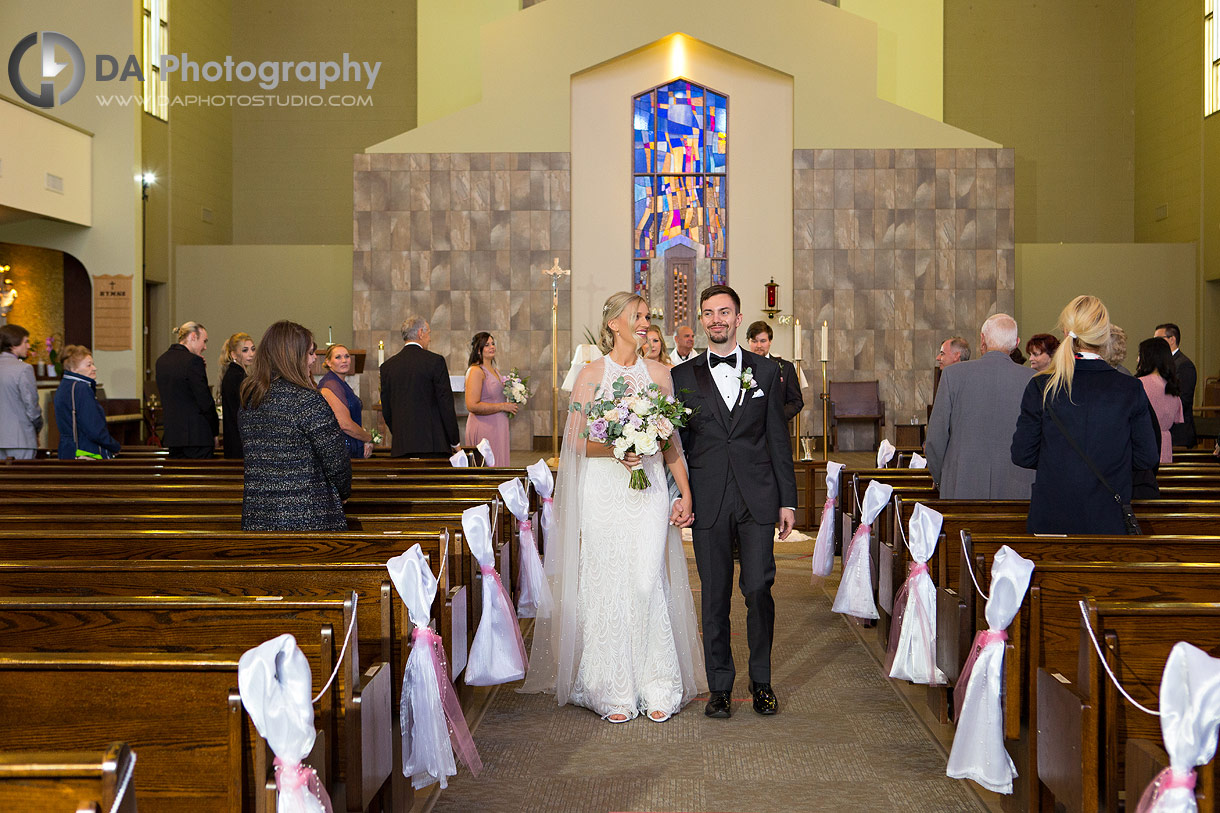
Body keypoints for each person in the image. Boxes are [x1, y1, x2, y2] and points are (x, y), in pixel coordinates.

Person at [522, 292, 704, 724]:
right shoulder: (590, 375)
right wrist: (618, 448)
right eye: (635, 316)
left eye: (645, 316)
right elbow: (576, 441)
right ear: (614, 325)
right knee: (607, 583)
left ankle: (656, 682)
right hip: (604, 491)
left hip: (648, 492)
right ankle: (610, 688)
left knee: (645, 581)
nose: (644, 322)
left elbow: (671, 440)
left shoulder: (661, 374)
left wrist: (686, 492)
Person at [671, 285, 797, 719]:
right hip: (708, 498)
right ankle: (720, 685)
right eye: (709, 314)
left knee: (759, 588)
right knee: (714, 597)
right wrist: (679, 495)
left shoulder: (766, 372)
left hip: (759, 496)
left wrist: (788, 500)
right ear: (702, 321)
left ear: (738, 318)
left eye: (724, 312)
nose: (717, 319)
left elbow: (778, 439)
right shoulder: (683, 376)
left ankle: (761, 681)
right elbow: (679, 446)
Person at [1011, 296, 1158, 534]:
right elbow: (1146, 458)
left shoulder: (1042, 386)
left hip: (1052, 516)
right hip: (1107, 516)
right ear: (1104, 335)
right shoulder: (1129, 388)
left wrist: (1060, 461)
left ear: (1066, 331)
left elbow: (1022, 454)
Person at [238, 321, 351, 531]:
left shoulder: (250, 400)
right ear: (292, 356)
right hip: (308, 519)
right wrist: (343, 492)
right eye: (309, 353)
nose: (314, 359)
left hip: (259, 518)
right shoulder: (307, 401)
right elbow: (337, 462)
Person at [924, 314, 1035, 499]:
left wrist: (942, 480)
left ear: (982, 339)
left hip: (961, 487)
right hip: (1019, 490)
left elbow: (935, 439)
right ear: (1016, 343)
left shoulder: (953, 375)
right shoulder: (1033, 380)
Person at [379, 316, 460, 457]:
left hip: (402, 447)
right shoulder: (435, 362)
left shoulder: (388, 367)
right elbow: (445, 404)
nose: (429, 339)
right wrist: (455, 442)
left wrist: (400, 435)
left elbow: (387, 410)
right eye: (429, 333)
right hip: (433, 446)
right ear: (420, 333)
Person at [155, 322, 219, 459]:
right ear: (194, 336)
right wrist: (215, 431)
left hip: (173, 437)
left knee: (176, 479)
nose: (205, 347)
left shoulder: (161, 361)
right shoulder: (193, 362)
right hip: (197, 438)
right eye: (204, 341)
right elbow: (204, 401)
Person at [53, 345, 120, 460]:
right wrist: (114, 446)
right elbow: (93, 428)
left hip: (68, 450)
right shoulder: (81, 388)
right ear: (74, 369)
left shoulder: (64, 385)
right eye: (89, 365)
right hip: (86, 452)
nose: (94, 368)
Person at [463, 332, 514, 465]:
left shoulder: (494, 370)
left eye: (492, 344)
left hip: (498, 426)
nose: (492, 347)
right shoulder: (475, 371)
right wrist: (503, 406)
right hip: (484, 426)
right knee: (487, 466)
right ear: (478, 350)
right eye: (487, 345)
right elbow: (472, 405)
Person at [319, 344, 374, 459]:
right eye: (338, 357)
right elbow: (344, 424)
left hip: (351, 447)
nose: (344, 360)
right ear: (328, 362)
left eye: (347, 356)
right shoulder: (331, 385)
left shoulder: (341, 383)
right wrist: (368, 438)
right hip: (342, 451)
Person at [1136, 336, 1184, 465]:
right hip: (1166, 444)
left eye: (1140, 355)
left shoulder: (1139, 384)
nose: (1137, 359)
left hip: (1145, 443)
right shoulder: (1172, 386)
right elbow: (1177, 419)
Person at [746, 320, 804, 421]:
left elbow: (796, 402)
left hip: (776, 429)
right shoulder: (740, 367)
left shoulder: (786, 368)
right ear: (748, 342)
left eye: (763, 341)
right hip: (747, 430)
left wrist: (777, 417)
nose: (759, 345)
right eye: (754, 341)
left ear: (770, 341)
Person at [0, 324, 42, 459]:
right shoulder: (23, 369)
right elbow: (31, 406)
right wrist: (38, 427)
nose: (28, 346)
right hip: (20, 438)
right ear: (13, 344)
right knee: (23, 478)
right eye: (26, 342)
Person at [1154, 323, 1197, 448]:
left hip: (1179, 433)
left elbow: (1183, 399)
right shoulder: (1165, 362)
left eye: (1158, 339)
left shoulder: (1184, 365)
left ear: (1172, 339)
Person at [219, 332, 255, 459]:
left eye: (253, 349)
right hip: (240, 440)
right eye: (245, 350)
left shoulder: (232, 374)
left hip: (234, 438)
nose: (251, 354)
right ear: (234, 354)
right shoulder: (238, 377)